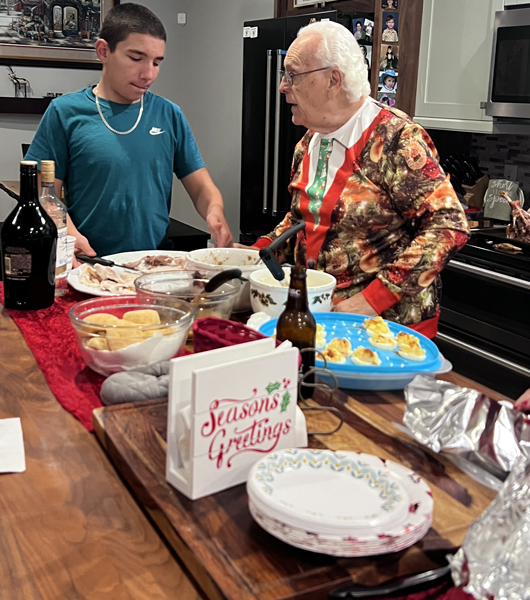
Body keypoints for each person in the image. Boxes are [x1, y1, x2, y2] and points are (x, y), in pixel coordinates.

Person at [249, 21, 469, 339]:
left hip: (387, 329)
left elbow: (449, 225)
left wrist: (371, 299)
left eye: (292, 75)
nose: (283, 86)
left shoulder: (395, 139)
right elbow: (301, 220)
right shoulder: (309, 141)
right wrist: (256, 253)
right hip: (320, 318)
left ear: (333, 80)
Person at [25, 3, 233, 259]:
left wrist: (214, 211)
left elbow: (202, 188)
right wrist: (69, 234)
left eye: (157, 62)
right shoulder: (64, 112)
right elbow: (45, 196)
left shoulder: (169, 114)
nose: (148, 74)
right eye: (136, 58)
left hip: (153, 263)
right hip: (90, 262)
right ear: (103, 51)